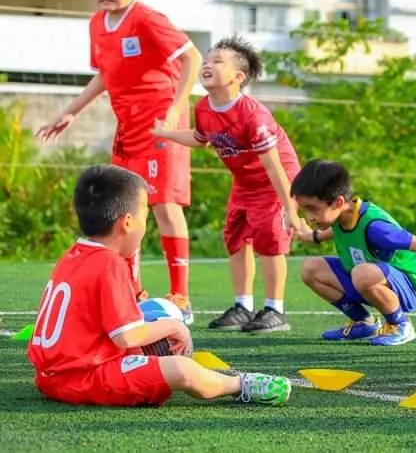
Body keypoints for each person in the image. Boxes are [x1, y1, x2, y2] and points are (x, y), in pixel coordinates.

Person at [27, 164, 291, 408]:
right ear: (127, 222)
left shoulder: (73, 254)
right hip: (86, 379)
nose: (146, 225)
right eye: (145, 216)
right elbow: (127, 337)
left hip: (49, 378)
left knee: (150, 313)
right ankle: (239, 384)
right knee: (181, 369)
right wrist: (175, 327)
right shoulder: (108, 263)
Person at [36, 0, 201, 322]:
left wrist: (176, 107)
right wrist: (70, 113)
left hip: (161, 129)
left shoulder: (146, 18)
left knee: (164, 206)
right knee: (124, 208)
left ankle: (181, 297)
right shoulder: (97, 24)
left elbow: (192, 58)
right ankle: (133, 292)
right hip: (127, 130)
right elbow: (105, 75)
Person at [152, 37, 301, 333]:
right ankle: (243, 306)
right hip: (244, 182)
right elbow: (200, 138)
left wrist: (290, 208)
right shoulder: (205, 107)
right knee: (235, 239)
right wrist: (166, 134)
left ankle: (275, 309)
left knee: (270, 244)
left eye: (218, 61)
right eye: (207, 60)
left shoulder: (252, 115)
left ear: (238, 77)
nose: (207, 64)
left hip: (274, 183)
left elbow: (273, 165)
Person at [293, 160, 416, 347]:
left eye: (313, 209)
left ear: (338, 202)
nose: (310, 217)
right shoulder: (342, 216)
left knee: (362, 273)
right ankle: (363, 322)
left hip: (407, 288)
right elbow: (336, 230)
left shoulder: (375, 227)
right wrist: (312, 237)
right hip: (367, 279)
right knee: (310, 269)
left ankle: (400, 324)